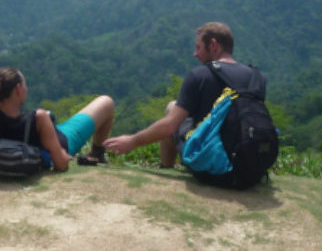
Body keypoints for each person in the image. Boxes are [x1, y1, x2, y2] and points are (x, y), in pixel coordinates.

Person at [104, 22, 267, 171]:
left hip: (214, 165)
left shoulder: (200, 75)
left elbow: (169, 126)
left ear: (213, 45)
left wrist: (132, 141)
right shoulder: (256, 77)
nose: (195, 54)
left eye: (198, 47)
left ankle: (166, 168)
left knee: (171, 108)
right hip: (248, 167)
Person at [0, 66, 115, 171]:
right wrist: (63, 155)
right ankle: (97, 152)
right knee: (106, 102)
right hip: (63, 139)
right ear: (18, 90)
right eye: (25, 85)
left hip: (47, 135)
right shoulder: (38, 118)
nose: (27, 89)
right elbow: (61, 165)